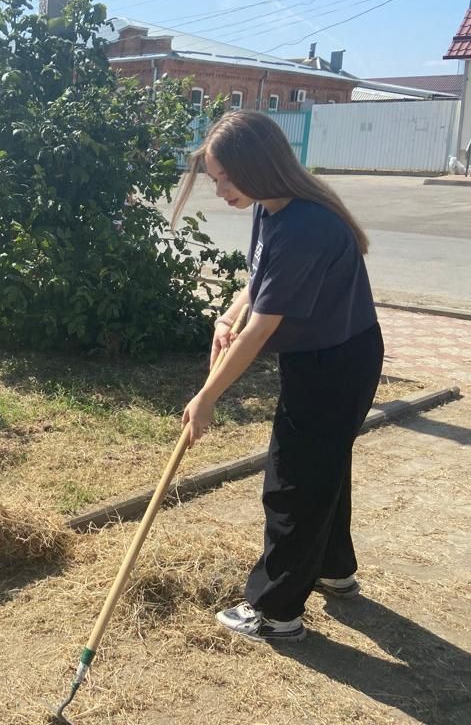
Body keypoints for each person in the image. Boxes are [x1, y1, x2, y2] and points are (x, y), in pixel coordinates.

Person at [171, 110, 384, 643]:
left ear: (260, 165)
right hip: (329, 354)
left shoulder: (307, 225)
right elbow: (261, 281)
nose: (220, 190)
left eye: (226, 177)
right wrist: (228, 313)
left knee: (292, 481)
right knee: (323, 465)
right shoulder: (272, 207)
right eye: (216, 178)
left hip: (336, 363)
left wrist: (206, 398)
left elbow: (261, 332)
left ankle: (276, 610)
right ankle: (335, 569)